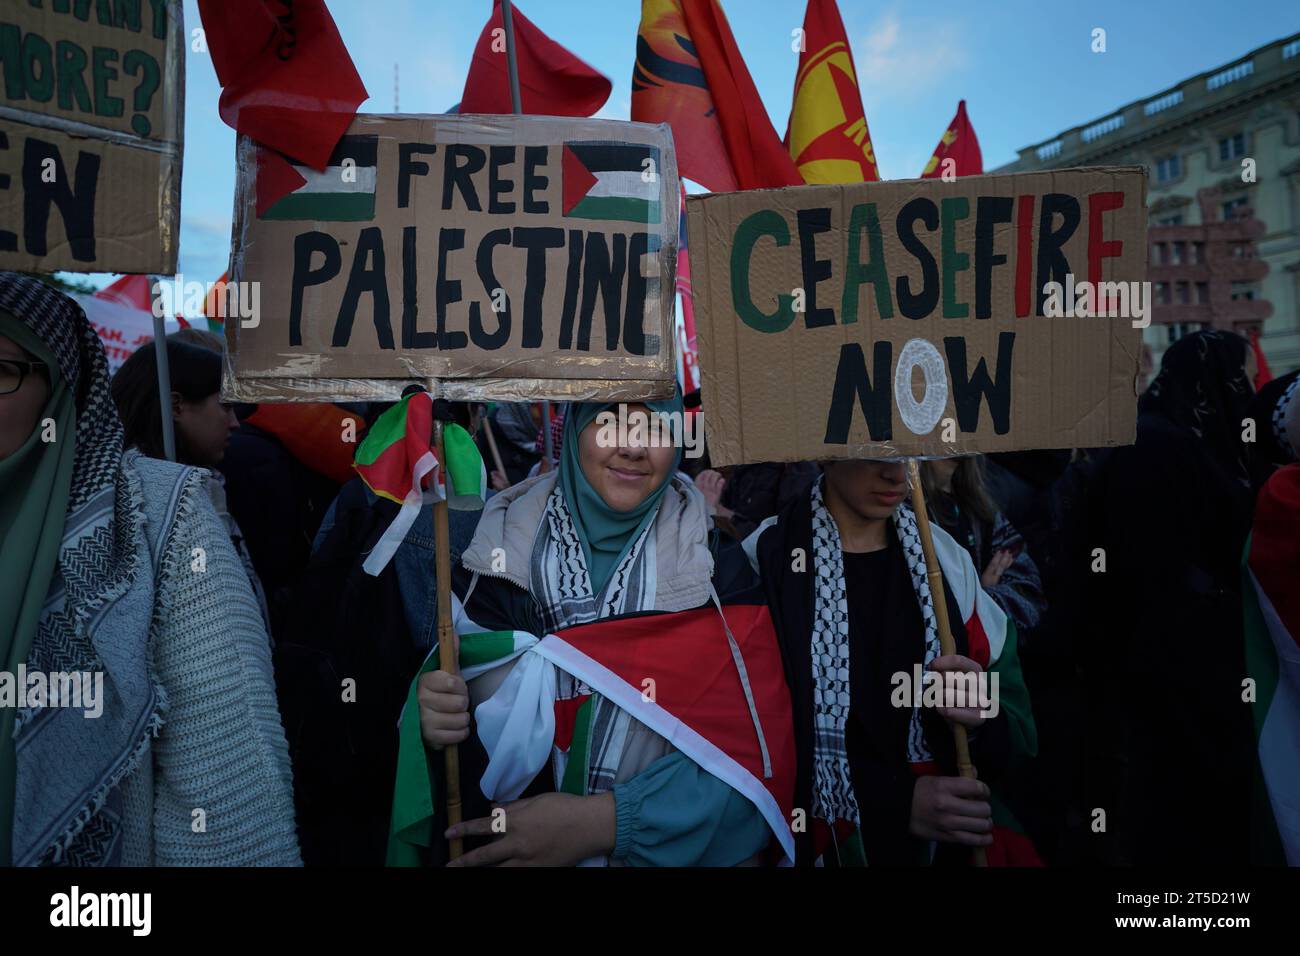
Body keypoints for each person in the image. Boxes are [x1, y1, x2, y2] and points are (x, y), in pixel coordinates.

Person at [408, 394, 793, 866]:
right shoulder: (487, 563)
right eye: (608, 422)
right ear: (572, 431)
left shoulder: (720, 576)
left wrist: (609, 822)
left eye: (655, 429)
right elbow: (457, 775)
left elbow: (757, 778)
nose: (633, 447)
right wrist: (433, 721)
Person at [0, 273, 299, 866]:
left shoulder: (163, 517)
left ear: (62, 384)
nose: (236, 422)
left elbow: (227, 806)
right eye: (226, 405)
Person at [749, 459, 1038, 866]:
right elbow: (742, 750)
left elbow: (1019, 730)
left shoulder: (948, 562)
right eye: (875, 453)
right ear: (821, 447)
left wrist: (981, 720)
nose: (898, 474)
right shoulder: (761, 562)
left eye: (912, 452)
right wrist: (892, 802)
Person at [1082, 329, 1258, 865]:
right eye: (1244, 377)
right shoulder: (1161, 446)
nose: (1248, 389)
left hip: (1169, 677)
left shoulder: (1177, 437)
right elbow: (1146, 574)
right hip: (1173, 685)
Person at [111, 339, 270, 631]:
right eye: (225, 406)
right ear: (175, 406)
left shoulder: (200, 483)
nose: (235, 423)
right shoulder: (140, 499)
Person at [921, 455, 1046, 636]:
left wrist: (983, 601)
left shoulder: (981, 508)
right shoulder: (910, 514)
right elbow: (928, 612)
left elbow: (1030, 595)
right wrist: (980, 598)